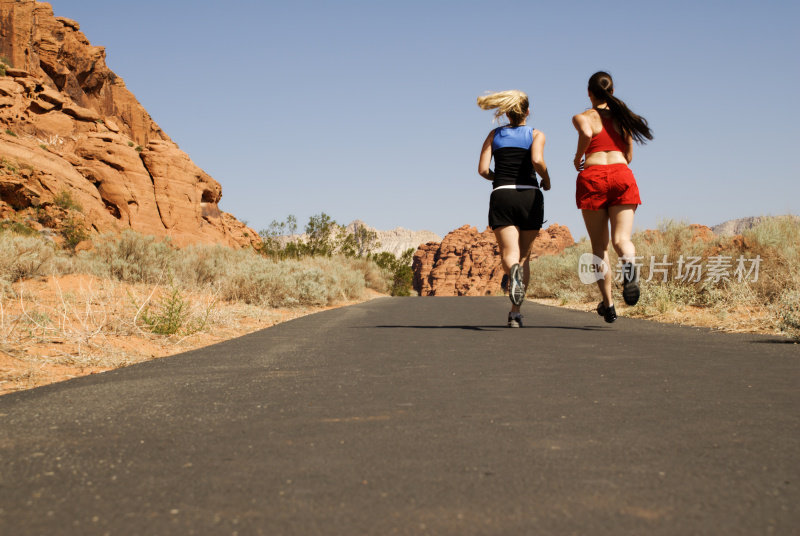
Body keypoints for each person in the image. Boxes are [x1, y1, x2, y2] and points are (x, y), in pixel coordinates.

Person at [572, 71, 653, 323]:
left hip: (593, 176)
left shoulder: (582, 117)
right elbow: (628, 156)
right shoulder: (624, 119)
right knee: (622, 240)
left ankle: (608, 305)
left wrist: (578, 158)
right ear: (612, 91)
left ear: (589, 93)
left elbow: (586, 134)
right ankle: (628, 265)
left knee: (600, 248)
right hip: (621, 174)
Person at [477, 90, 552, 327]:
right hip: (529, 195)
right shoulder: (536, 134)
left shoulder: (494, 134)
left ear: (507, 112)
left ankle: (513, 274)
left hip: (502, 195)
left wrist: (498, 178)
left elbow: (482, 170)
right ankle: (515, 313)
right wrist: (547, 180)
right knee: (524, 256)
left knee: (509, 255)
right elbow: (538, 161)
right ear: (527, 112)